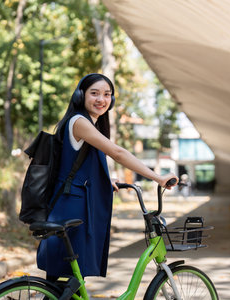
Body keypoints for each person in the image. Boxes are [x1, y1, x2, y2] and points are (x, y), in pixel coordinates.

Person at [36, 73, 178, 280]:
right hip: (73, 207)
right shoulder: (79, 122)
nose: (101, 99)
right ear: (80, 96)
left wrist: (104, 179)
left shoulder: (86, 123)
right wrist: (158, 177)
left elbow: (73, 165)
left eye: (107, 94)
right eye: (94, 93)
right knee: (72, 275)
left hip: (70, 203)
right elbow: (118, 153)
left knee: (64, 278)